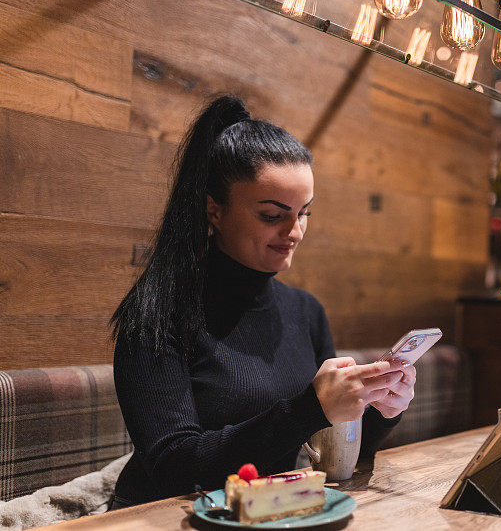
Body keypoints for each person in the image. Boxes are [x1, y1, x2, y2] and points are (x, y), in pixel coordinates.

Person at [108, 95, 415, 509]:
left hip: (270, 510)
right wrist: (311, 409)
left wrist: (381, 407)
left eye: (304, 212)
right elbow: (173, 465)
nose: (295, 232)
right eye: (273, 215)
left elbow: (326, 447)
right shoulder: (158, 314)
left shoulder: (306, 312)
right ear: (214, 210)